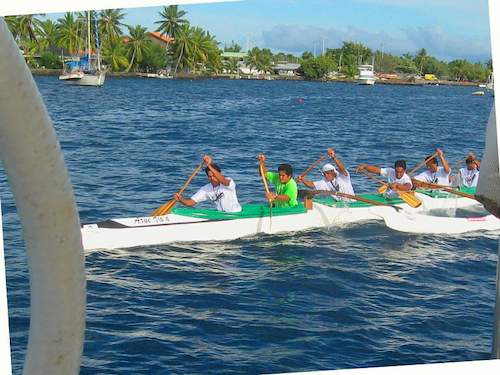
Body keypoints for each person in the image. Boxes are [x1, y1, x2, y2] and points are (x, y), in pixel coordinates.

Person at [174, 155, 242, 213]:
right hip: (222, 215)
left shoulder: (228, 181)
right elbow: (191, 202)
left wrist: (209, 165)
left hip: (235, 213)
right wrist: (181, 200)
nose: (212, 178)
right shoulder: (206, 189)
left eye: (214, 176)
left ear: (219, 174)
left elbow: (223, 180)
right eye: (209, 176)